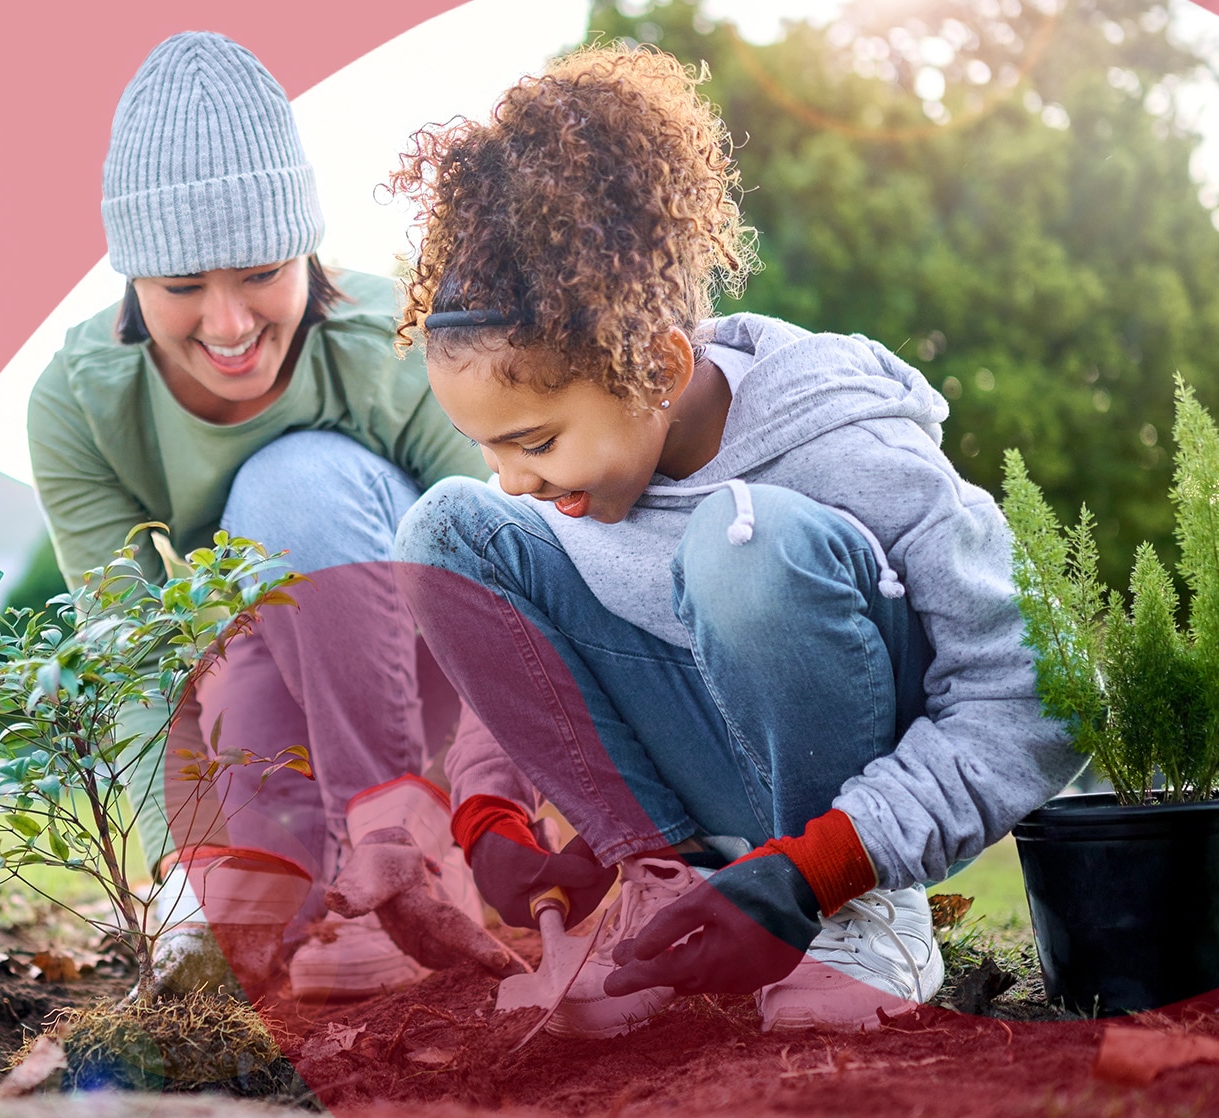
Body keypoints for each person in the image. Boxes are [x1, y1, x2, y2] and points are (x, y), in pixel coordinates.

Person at [386, 42, 1081, 1036]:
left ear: (661, 369)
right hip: (704, 799)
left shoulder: (846, 445)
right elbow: (544, 640)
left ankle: (855, 922)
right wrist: (489, 807)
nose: (514, 477)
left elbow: (1037, 690)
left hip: (846, 829)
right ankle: (662, 884)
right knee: (441, 528)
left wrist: (823, 867)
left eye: (533, 441)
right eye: (488, 445)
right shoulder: (580, 474)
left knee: (741, 542)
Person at [25, 30, 506, 1000]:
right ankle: (331, 893)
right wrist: (177, 871)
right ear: (130, 279)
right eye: (180, 287)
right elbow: (133, 660)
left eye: (257, 271)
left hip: (418, 673)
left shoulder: (395, 346)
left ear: (306, 247)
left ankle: (397, 840)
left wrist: (492, 809)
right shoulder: (78, 404)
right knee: (242, 890)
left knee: (290, 490)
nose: (229, 323)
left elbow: (498, 588)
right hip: (258, 682)